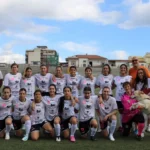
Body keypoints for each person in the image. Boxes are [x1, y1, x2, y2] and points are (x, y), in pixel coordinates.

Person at [113, 64, 132, 131]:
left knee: (128, 112)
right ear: (120, 69)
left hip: (127, 98)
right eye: (121, 68)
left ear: (126, 69)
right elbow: (112, 86)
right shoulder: (116, 78)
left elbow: (132, 87)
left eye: (124, 68)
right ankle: (121, 126)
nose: (123, 69)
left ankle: (128, 126)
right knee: (121, 112)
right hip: (118, 98)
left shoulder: (129, 77)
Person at [133, 68, 150, 134]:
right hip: (139, 100)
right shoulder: (136, 82)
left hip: (147, 99)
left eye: (141, 73)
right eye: (139, 73)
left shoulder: (148, 80)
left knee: (148, 114)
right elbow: (136, 92)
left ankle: (148, 126)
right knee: (142, 115)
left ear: (144, 73)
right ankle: (139, 129)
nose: (140, 74)